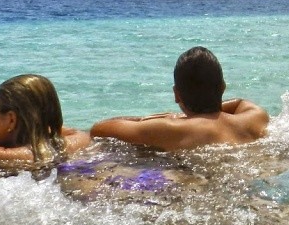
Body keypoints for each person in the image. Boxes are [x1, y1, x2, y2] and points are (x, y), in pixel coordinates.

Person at [90, 46, 269, 151]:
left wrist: (165, 118)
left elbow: (99, 129)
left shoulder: (171, 129)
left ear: (177, 94)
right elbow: (240, 103)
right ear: (223, 87)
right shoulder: (254, 117)